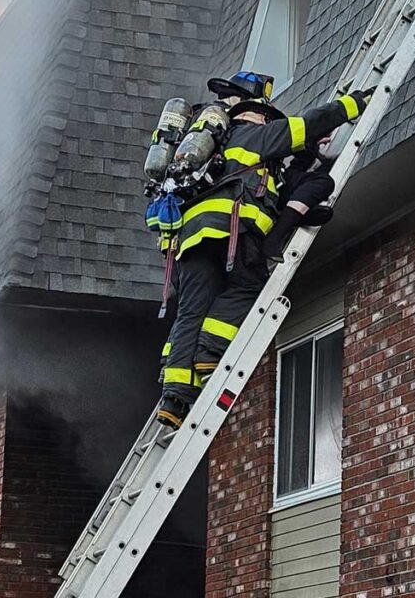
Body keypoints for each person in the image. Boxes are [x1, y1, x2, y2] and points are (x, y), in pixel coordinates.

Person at [156, 71, 369, 427]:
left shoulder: (205, 150)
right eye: (267, 114)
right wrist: (353, 104)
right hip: (232, 231)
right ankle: (209, 352)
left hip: (188, 241)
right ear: (258, 112)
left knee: (191, 311)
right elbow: (308, 124)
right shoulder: (257, 134)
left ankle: (174, 397)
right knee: (248, 286)